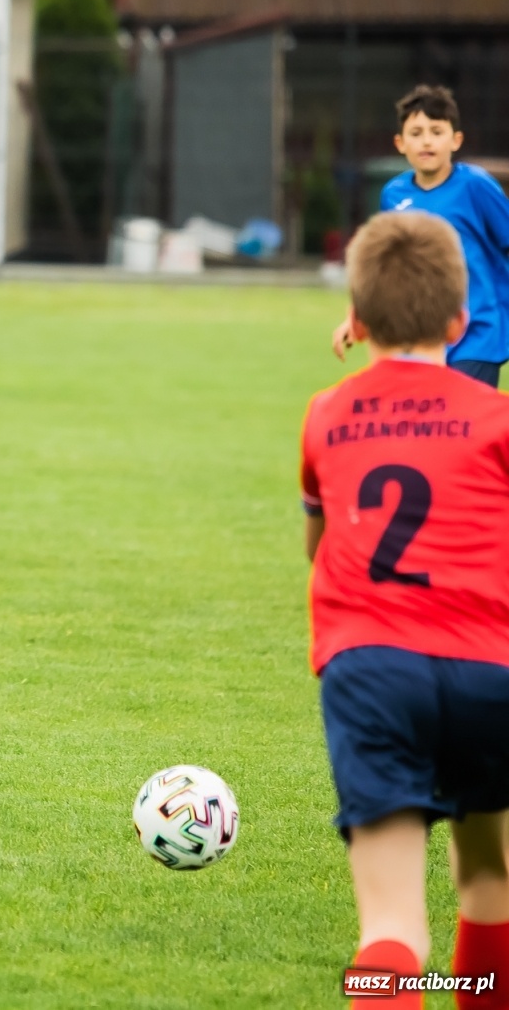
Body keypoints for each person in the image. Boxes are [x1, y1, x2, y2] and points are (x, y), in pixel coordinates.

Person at [302, 211, 509, 1006]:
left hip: (372, 665)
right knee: (488, 877)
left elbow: (319, 544)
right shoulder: (496, 417)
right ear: (461, 321)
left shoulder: (327, 413)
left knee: (391, 923)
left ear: (354, 320)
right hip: (490, 665)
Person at [332, 85, 509, 388]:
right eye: (416, 133)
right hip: (422, 338)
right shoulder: (394, 194)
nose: (426, 141)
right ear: (400, 143)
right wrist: (357, 317)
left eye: (436, 131)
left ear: (456, 140)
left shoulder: (476, 187)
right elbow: (388, 265)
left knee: (463, 427)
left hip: (479, 335)